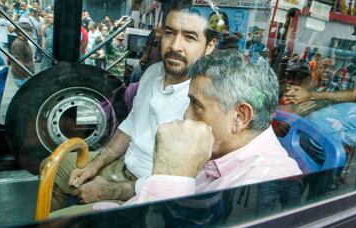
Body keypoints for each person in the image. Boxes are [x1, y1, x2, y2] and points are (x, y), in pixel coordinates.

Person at [48, 3, 217, 216]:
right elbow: (131, 124)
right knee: (54, 166)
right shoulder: (153, 72)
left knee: (56, 222)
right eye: (170, 33)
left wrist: (111, 190)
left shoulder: (203, 100)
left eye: (189, 38)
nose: (175, 45)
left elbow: (182, 182)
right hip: (122, 166)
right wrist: (96, 163)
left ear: (209, 46)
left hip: (146, 194)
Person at [89, 50, 302, 209]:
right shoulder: (217, 150)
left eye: (196, 105)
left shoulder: (264, 184)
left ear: (239, 117)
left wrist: (173, 175)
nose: (186, 115)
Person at [7, 18, 35, 87]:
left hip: (25, 75)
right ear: (20, 32)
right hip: (23, 77)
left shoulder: (24, 41)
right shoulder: (18, 44)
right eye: (28, 31)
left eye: (30, 30)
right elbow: (18, 63)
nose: (31, 33)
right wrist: (27, 75)